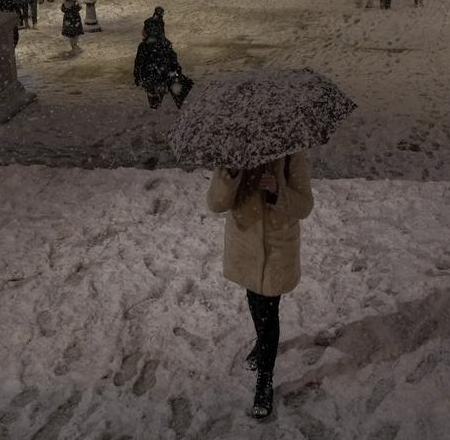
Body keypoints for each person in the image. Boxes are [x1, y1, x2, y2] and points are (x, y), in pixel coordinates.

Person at [206, 151, 315, 420]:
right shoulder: (234, 151)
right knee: (255, 300)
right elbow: (216, 203)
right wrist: (231, 172)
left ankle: (264, 381)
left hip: (276, 246)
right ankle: (262, 344)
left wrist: (277, 189)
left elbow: (304, 206)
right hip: (244, 245)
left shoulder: (291, 154)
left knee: (268, 311)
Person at [133, 27, 182, 109]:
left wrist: (137, 76)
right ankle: (157, 104)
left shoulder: (144, 46)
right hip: (161, 75)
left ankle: (154, 105)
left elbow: (138, 62)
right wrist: (176, 71)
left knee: (152, 92)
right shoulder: (164, 44)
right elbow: (172, 59)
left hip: (149, 76)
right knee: (158, 91)